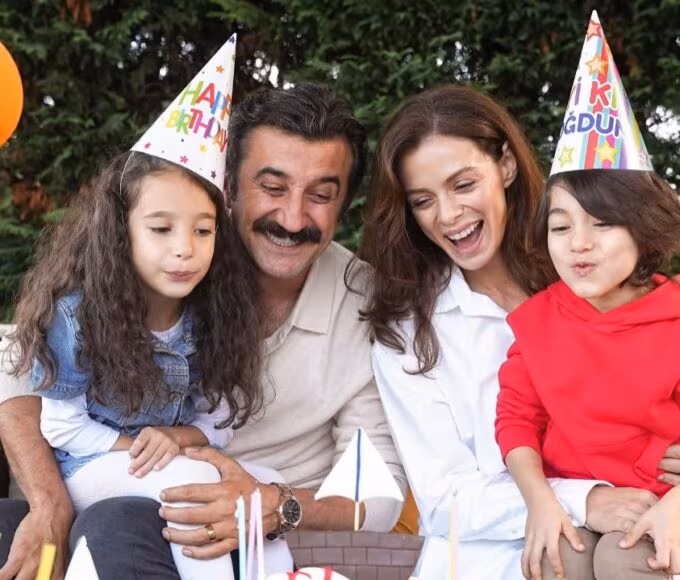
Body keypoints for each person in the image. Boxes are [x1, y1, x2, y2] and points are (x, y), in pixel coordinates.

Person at [0, 82, 406, 580]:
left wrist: (275, 506)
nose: (293, 217)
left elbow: (376, 487)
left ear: (343, 206)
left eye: (321, 195)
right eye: (273, 188)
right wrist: (48, 503)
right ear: (229, 189)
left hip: (249, 523)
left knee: (126, 521)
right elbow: (19, 373)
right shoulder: (166, 270)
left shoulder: (364, 302)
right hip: (118, 489)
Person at [359, 83, 677, 580]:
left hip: (649, 535)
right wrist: (584, 499)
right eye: (423, 200)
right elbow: (444, 496)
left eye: (464, 184)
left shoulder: (591, 274)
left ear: (505, 165)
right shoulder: (410, 334)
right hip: (485, 563)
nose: (448, 214)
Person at [496, 168, 680, 580]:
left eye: (602, 223)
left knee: (625, 559)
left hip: (663, 503)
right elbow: (516, 420)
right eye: (561, 227)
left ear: (644, 228)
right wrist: (540, 502)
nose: (579, 242)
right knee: (558, 559)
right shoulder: (537, 321)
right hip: (577, 500)